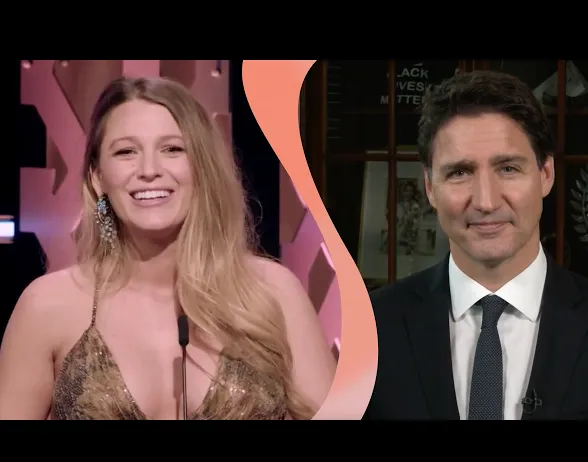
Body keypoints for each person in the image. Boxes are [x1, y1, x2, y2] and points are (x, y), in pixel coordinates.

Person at [0, 76, 337, 420]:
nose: (149, 171)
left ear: (202, 167)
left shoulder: (274, 293)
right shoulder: (47, 306)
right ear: (97, 177)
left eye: (172, 149)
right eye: (126, 152)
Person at [364, 70, 588, 420]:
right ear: (430, 188)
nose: (486, 201)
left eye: (508, 168)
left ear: (546, 174)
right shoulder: (370, 328)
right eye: (459, 172)